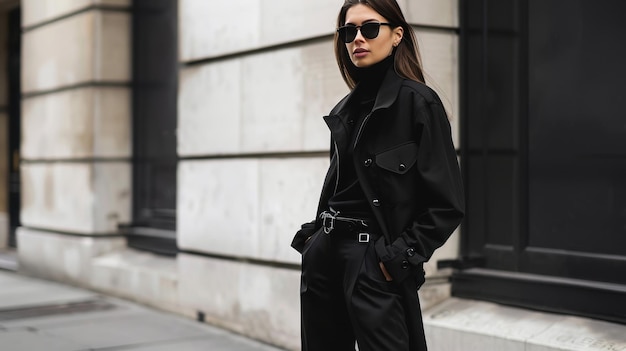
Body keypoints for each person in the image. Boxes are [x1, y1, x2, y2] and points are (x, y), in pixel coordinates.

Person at [291, 0, 464, 350]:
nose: (357, 38)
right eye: (348, 31)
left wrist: (397, 258)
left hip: (373, 261)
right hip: (325, 255)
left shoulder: (419, 104)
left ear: (397, 34)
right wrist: (312, 242)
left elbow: (446, 205)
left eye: (369, 28)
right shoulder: (344, 110)